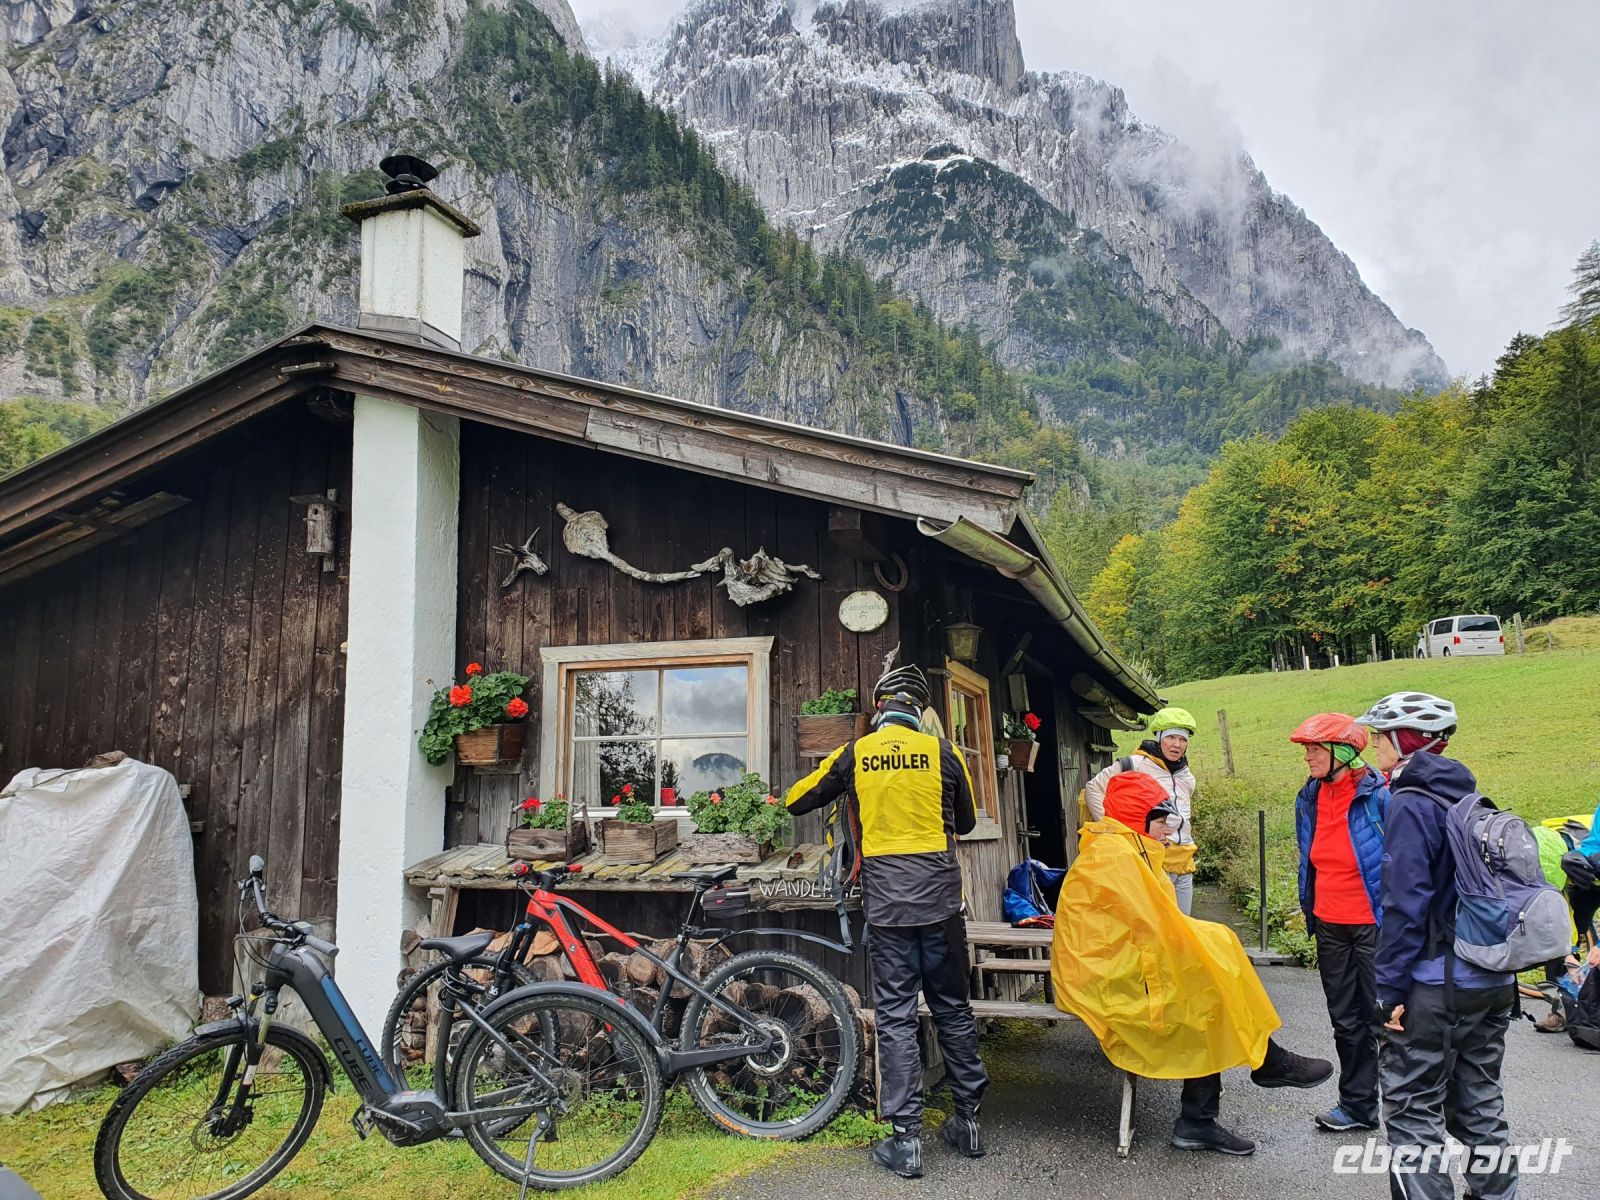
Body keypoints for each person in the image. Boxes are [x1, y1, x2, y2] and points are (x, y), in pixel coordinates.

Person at [1053, 770, 1333, 1157]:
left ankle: (1215, 1107)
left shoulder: (1125, 849)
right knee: (1205, 993)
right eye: (1161, 822)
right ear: (1138, 818)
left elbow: (1150, 926)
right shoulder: (1113, 856)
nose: (1168, 831)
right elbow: (1154, 929)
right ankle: (1256, 1071)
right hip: (1101, 981)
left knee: (1208, 984)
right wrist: (1211, 943)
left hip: (1118, 968)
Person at [785, 664, 986, 1180]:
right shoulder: (946, 753)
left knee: (896, 1015)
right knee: (952, 1008)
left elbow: (796, 798)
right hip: (941, 903)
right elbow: (964, 822)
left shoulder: (856, 752)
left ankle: (907, 1141)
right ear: (919, 712)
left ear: (879, 709)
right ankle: (968, 1122)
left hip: (889, 905)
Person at [1360, 692, 1518, 1200]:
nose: (1374, 745)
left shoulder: (1411, 802)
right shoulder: (1468, 798)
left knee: (1411, 1111)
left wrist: (1388, 991)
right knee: (1479, 1105)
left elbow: (1405, 902)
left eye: (1380, 735)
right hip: (1492, 979)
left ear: (1402, 741)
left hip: (1434, 985)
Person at [1290, 712, 1390, 1133]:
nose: (1309, 757)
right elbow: (1306, 854)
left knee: (1385, 1017)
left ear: (1344, 752)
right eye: (1307, 749)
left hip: (1375, 924)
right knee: (1345, 1020)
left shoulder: (1381, 795)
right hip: (1330, 923)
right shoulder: (1308, 796)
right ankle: (1357, 1107)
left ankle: (1411, 1111)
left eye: (1316, 748)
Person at [1083, 706, 1200, 914]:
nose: (1177, 745)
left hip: (1183, 860)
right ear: (1159, 737)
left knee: (1184, 927)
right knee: (1155, 926)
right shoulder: (1134, 765)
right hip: (1151, 857)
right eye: (1171, 737)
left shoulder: (1186, 776)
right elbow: (1093, 788)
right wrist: (1113, 829)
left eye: (1183, 739)